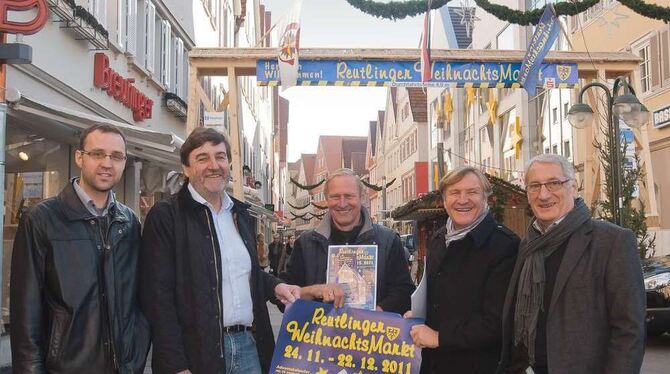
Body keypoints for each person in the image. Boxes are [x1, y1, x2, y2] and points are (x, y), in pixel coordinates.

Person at [140, 128, 301, 374]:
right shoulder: (166, 216)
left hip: (249, 346)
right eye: (202, 158)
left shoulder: (240, 214)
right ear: (186, 168)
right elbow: (157, 298)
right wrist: (175, 364)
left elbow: (246, 275)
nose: (213, 165)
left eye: (220, 156)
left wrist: (275, 286)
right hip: (197, 353)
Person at [10, 124, 149, 373]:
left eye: (116, 156)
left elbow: (139, 298)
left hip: (124, 367)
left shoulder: (129, 223)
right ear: (79, 158)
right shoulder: (41, 219)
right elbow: (25, 313)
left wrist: (136, 352)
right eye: (98, 154)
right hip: (66, 367)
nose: (107, 163)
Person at [497, 154, 646, 374]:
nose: (544, 194)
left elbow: (629, 330)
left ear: (573, 186)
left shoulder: (612, 241)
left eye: (554, 183)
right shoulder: (528, 243)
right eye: (535, 186)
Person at [408, 166, 519, 374]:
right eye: (455, 193)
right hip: (433, 364)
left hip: (478, 365)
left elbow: (497, 323)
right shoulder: (440, 238)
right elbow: (436, 297)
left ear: (486, 198)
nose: (463, 200)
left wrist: (439, 337)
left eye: (472, 192)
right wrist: (417, 314)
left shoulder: (504, 246)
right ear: (444, 199)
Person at [284, 168, 415, 312]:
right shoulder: (305, 243)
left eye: (349, 196)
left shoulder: (388, 240)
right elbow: (284, 297)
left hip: (371, 332)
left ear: (362, 198)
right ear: (327, 199)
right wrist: (314, 290)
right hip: (317, 332)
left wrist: (377, 313)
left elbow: (404, 293)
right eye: (335, 196)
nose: (342, 203)